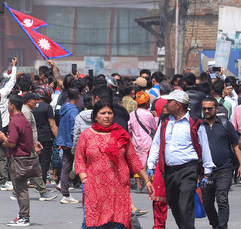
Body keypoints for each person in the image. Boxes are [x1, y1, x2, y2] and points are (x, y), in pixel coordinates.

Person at [76, 100, 153, 229]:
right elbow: (79, 160)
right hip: (95, 187)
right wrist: (84, 180)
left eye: (109, 113)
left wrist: (146, 180)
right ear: (95, 116)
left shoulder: (121, 134)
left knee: (117, 222)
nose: (107, 116)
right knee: (94, 222)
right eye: (103, 113)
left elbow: (133, 159)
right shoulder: (86, 135)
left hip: (118, 188)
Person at [146, 90, 215, 229]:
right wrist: (151, 164)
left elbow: (204, 146)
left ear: (178, 105)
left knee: (185, 206)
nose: (166, 104)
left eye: (169, 102)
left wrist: (207, 171)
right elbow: (157, 143)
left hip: (188, 170)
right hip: (169, 171)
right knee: (175, 206)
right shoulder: (165, 121)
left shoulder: (194, 123)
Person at [200, 96, 241, 229]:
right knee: (207, 202)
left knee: (222, 199)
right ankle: (215, 224)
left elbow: (236, 145)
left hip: (224, 169)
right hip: (206, 172)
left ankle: (222, 226)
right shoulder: (199, 126)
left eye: (209, 108)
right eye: (204, 109)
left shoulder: (225, 124)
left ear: (216, 108)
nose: (206, 111)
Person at [2, 95, 39, 227]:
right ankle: (22, 214)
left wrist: (3, 138)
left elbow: (12, 143)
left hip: (17, 159)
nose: (7, 106)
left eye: (8, 104)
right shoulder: (23, 119)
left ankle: (24, 216)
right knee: (21, 188)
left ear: (12, 105)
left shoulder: (14, 121)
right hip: (25, 157)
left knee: (21, 189)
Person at [54, 87, 81, 204]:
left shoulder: (63, 108)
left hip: (64, 141)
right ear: (78, 97)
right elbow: (74, 128)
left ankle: (65, 192)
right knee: (74, 166)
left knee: (66, 166)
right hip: (71, 142)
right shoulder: (74, 110)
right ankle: (66, 192)